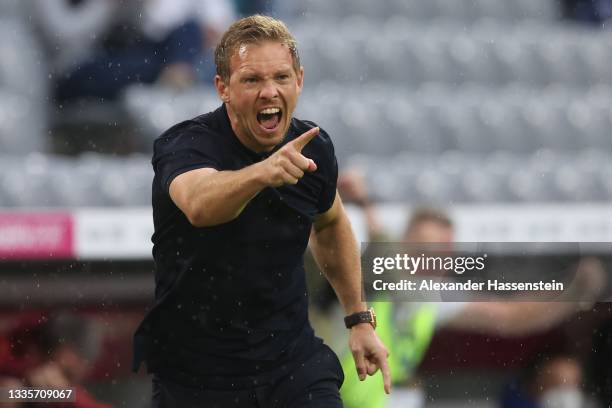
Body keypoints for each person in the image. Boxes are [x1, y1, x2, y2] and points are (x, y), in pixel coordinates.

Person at [132, 15, 390, 407]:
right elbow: (200, 205)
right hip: (197, 376)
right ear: (223, 88)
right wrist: (261, 174)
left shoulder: (313, 148)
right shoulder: (186, 145)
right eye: (252, 80)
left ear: (299, 80)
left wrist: (358, 318)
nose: (269, 91)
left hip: (290, 363)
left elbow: (332, 222)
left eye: (282, 78)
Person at [332, 170, 604, 408]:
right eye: (424, 248)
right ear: (405, 243)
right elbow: (377, 252)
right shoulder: (373, 274)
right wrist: (361, 201)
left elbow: (510, 317)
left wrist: (572, 295)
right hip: (333, 396)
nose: (433, 259)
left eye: (441, 252)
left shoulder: (430, 294)